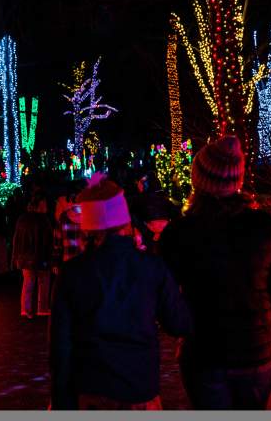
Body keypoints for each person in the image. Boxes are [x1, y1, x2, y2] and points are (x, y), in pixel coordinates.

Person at [160, 135, 271, 409]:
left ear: (199, 178)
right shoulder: (265, 226)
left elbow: (163, 293)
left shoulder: (180, 232)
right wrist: (264, 318)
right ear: (238, 179)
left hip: (205, 352)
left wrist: (183, 327)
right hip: (257, 352)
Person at [50, 173, 191, 410]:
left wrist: (62, 398)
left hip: (90, 386)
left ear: (89, 227)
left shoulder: (73, 273)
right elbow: (178, 323)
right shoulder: (151, 267)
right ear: (124, 221)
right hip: (139, 385)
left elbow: (60, 344)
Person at [12, 192, 53, 318]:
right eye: (44, 204)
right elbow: (47, 241)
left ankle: (26, 309)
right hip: (40, 256)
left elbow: (16, 238)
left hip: (24, 256)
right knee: (43, 281)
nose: (47, 206)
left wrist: (15, 256)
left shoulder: (22, 219)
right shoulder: (43, 220)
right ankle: (42, 308)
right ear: (39, 205)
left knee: (28, 282)